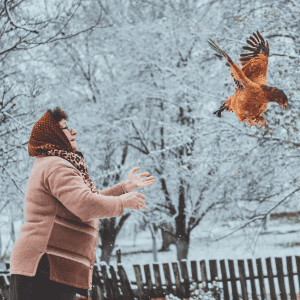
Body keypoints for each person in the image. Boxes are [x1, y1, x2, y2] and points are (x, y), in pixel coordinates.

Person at [9, 107, 155, 300]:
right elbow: (85, 205)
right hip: (44, 265)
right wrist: (121, 202)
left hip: (46, 266)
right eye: (66, 128)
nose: (73, 131)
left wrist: (123, 189)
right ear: (54, 135)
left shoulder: (53, 163)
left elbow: (83, 201)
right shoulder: (56, 165)